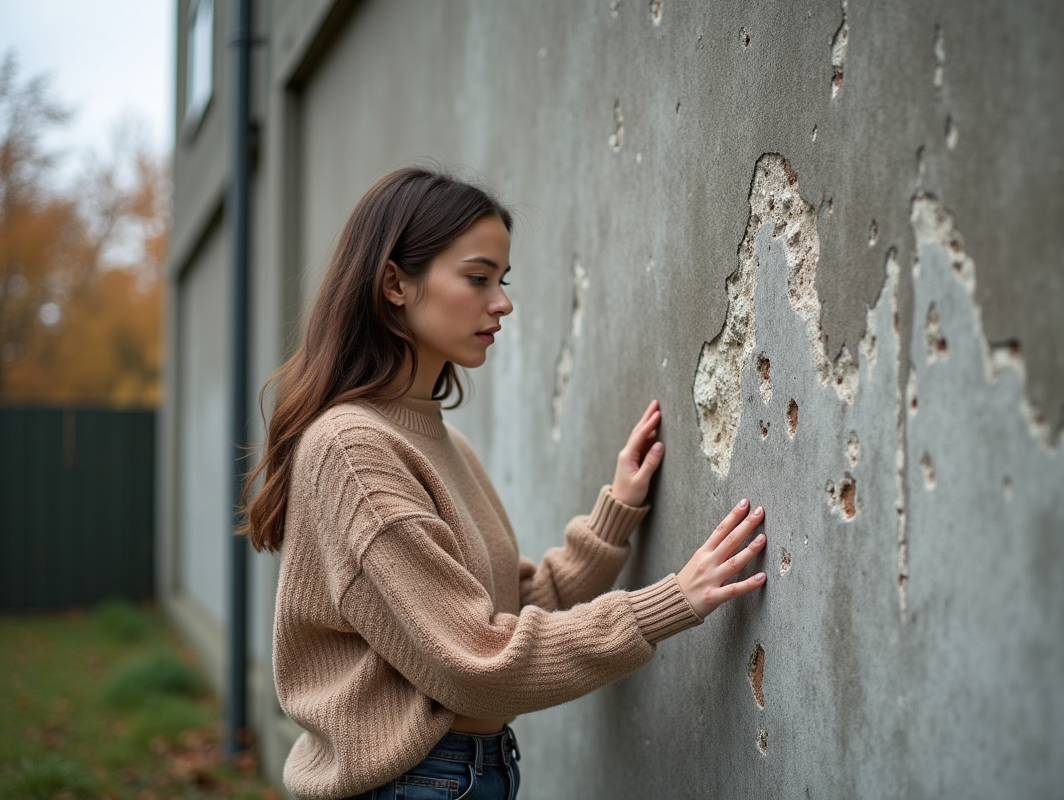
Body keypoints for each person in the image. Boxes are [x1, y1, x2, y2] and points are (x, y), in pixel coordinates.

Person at [241, 167, 768, 800]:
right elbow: (475, 662)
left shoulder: (437, 440)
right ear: (394, 284)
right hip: (409, 785)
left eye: (502, 280)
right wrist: (668, 602)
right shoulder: (354, 451)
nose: (503, 302)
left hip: (462, 772)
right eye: (477, 278)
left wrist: (616, 513)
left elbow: (516, 605)